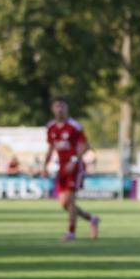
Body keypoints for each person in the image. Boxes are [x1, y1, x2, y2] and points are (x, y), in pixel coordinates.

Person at [42, 98, 100, 241]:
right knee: (64, 203)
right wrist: (45, 165)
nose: (59, 109)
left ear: (66, 108)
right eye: (57, 106)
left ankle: (71, 232)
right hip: (62, 168)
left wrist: (74, 160)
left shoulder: (74, 126)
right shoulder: (51, 127)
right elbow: (51, 148)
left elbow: (86, 146)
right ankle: (91, 218)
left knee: (70, 200)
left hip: (75, 167)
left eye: (62, 106)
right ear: (52, 109)